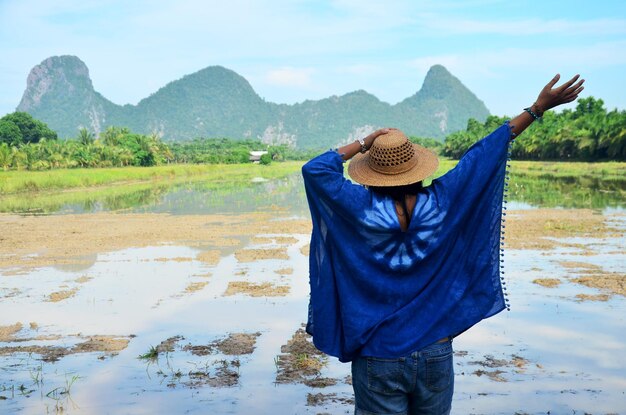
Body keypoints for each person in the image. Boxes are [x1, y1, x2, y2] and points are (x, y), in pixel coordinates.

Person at [301, 74, 584, 415]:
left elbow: (315, 169)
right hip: (434, 350)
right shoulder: (442, 201)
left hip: (378, 353)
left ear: (371, 174)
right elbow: (484, 153)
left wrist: (365, 142)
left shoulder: (358, 207)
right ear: (417, 169)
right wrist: (538, 108)